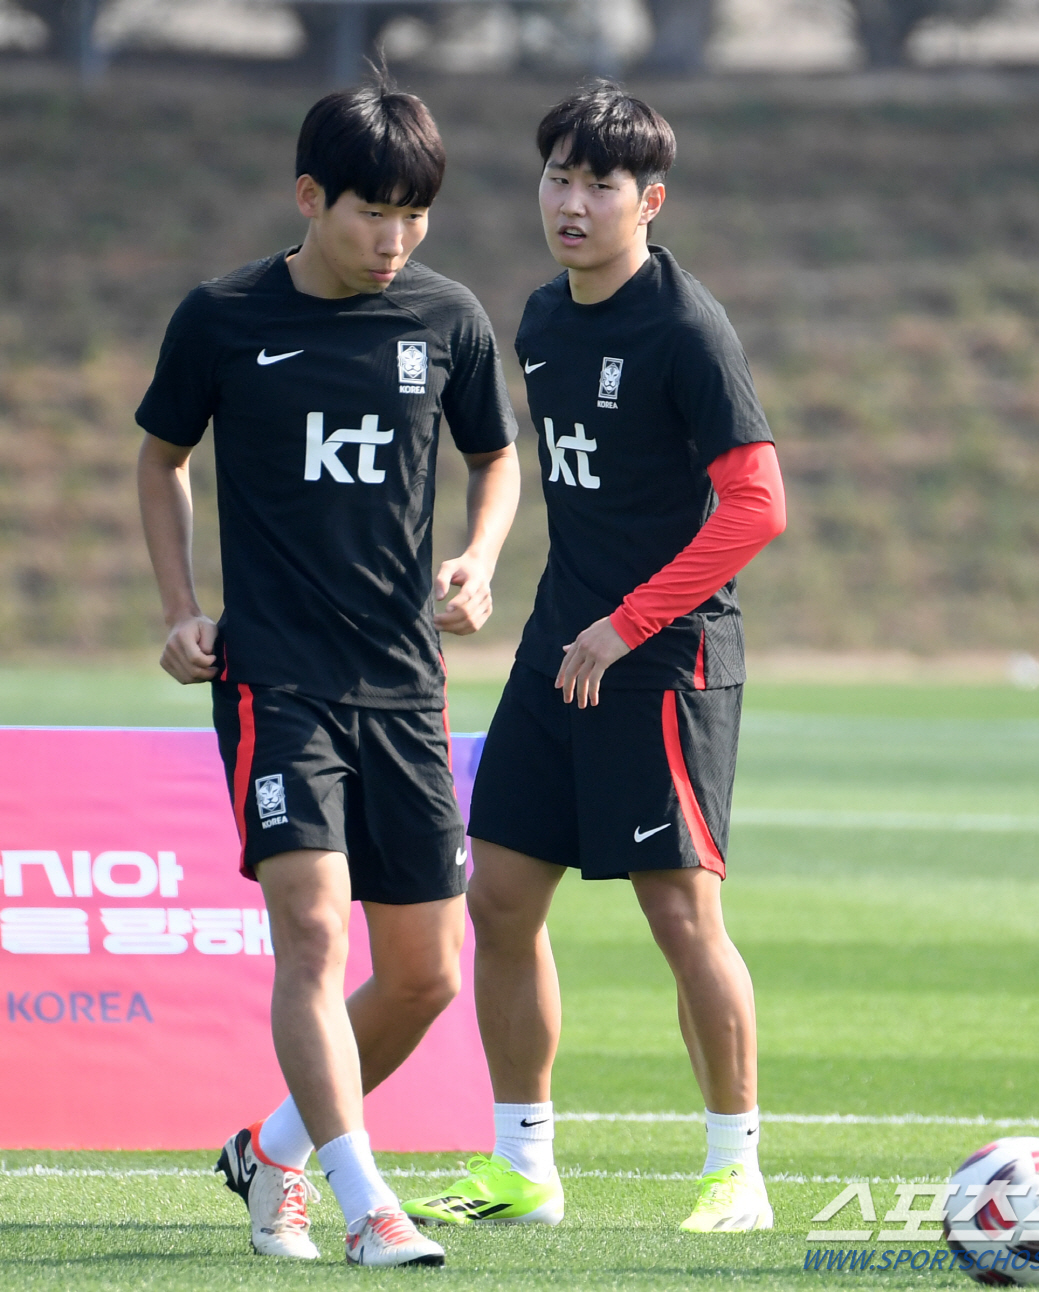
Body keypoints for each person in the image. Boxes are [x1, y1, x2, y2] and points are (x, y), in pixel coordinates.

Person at [136, 76, 521, 1267]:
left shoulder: (448, 320)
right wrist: (181, 610)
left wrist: (478, 556)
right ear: (310, 197)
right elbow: (161, 461)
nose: (393, 240)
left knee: (423, 977)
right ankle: (367, 1203)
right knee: (311, 934)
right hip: (276, 678)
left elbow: (495, 457)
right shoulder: (222, 316)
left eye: (415, 216)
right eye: (370, 213)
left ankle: (273, 1151)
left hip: (404, 683)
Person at [401, 83, 786, 1235]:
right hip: (558, 649)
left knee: (681, 916)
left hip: (663, 658)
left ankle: (737, 1172)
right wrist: (480, 566)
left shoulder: (686, 328)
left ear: (649, 199)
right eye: (556, 178)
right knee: (502, 895)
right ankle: (525, 1165)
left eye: (599, 185)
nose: (571, 204)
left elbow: (755, 507)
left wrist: (629, 623)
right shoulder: (542, 317)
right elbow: (551, 479)